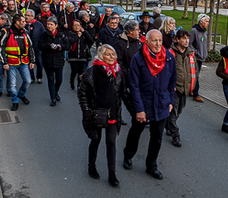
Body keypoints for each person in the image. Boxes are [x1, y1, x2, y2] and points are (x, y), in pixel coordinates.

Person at [123, 29, 177, 180]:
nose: (158, 44)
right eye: (154, 40)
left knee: (157, 136)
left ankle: (151, 165)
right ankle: (128, 155)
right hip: (143, 103)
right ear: (146, 41)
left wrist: (170, 100)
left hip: (161, 103)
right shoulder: (138, 58)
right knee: (136, 132)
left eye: (160, 40)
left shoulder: (169, 58)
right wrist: (139, 109)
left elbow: (173, 80)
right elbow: (133, 85)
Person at [78, 44, 126, 186]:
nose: (112, 57)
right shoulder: (91, 71)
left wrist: (135, 110)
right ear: (100, 56)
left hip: (112, 112)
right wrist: (86, 111)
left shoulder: (118, 72)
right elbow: (82, 93)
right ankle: (91, 166)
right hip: (96, 113)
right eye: (108, 54)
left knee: (111, 142)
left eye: (113, 54)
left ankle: (112, 174)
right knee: (96, 139)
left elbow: (123, 93)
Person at [0, 14, 36, 111]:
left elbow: (30, 47)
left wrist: (32, 61)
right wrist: (4, 62)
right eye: (23, 21)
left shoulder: (25, 32)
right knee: (12, 85)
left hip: (23, 62)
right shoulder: (6, 32)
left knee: (27, 81)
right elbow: (0, 48)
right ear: (17, 22)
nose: (25, 23)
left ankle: (21, 94)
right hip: (11, 62)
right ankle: (15, 101)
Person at [166, 29, 195, 147]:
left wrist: (192, 87)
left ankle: (167, 125)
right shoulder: (170, 53)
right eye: (183, 38)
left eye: (187, 38)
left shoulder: (191, 54)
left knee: (179, 111)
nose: (186, 41)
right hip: (174, 89)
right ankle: (175, 135)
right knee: (173, 112)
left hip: (185, 89)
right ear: (177, 40)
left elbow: (194, 71)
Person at [38, 16, 70, 106]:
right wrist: (49, 46)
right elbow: (40, 45)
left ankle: (55, 92)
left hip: (59, 60)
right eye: (48, 24)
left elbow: (68, 46)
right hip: (48, 60)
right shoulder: (43, 35)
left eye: (51, 24)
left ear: (56, 26)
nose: (49, 26)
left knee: (59, 80)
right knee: (50, 79)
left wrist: (60, 47)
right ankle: (53, 98)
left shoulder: (61, 34)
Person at [67, 19, 94, 90]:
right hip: (73, 56)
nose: (76, 27)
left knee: (81, 72)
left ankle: (79, 85)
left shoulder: (84, 34)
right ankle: (72, 81)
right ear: (72, 26)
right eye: (75, 25)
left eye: (78, 25)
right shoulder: (70, 34)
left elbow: (91, 40)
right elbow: (70, 42)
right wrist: (77, 37)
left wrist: (84, 32)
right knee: (74, 70)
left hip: (82, 56)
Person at [189, 14, 209, 102]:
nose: (208, 23)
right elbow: (189, 43)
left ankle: (191, 89)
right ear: (201, 22)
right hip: (196, 57)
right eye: (206, 21)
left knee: (195, 75)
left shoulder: (205, 32)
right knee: (196, 76)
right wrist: (196, 52)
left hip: (201, 57)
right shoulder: (194, 31)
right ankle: (196, 94)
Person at [25, 9, 46, 84]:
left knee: (39, 63)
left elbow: (43, 34)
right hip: (27, 48)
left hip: (37, 47)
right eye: (26, 15)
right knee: (29, 63)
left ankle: (39, 77)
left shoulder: (38, 24)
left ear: (32, 16)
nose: (26, 17)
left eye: (28, 15)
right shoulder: (23, 24)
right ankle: (31, 77)